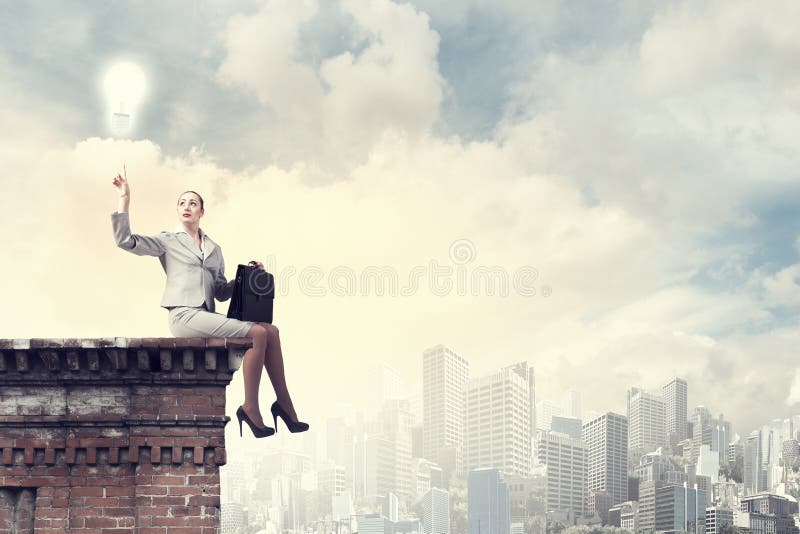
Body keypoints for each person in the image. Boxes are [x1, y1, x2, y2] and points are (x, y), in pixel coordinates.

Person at [110, 166, 308, 438]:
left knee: (271, 331)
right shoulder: (167, 241)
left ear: (202, 212)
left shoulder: (214, 249)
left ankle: (285, 405)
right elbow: (125, 240)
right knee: (257, 332)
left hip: (207, 315)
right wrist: (124, 198)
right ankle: (251, 408)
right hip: (183, 315)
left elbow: (221, 291)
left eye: (193, 203)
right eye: (181, 203)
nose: (186, 207)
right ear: (178, 211)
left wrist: (248, 276)